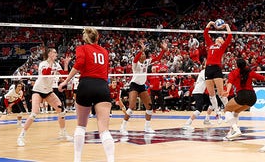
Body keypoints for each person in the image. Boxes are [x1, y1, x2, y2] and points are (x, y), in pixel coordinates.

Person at [58, 27, 114, 162]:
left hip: (86, 85)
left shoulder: (82, 48)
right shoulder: (105, 51)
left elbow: (79, 64)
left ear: (85, 38)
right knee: (104, 130)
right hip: (102, 86)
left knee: (81, 125)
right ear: (97, 37)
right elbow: (105, 71)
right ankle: (111, 160)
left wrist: (65, 81)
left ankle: (77, 159)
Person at [18, 48, 72, 146]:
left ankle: (63, 133)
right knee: (34, 113)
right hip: (38, 90)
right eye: (54, 52)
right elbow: (46, 74)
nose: (56, 54)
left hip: (48, 91)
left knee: (62, 111)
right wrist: (51, 62)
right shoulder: (43, 64)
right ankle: (21, 136)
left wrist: (65, 65)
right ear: (50, 54)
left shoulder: (57, 64)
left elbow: (64, 77)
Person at [119, 39, 167, 135]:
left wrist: (164, 50)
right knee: (132, 107)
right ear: (139, 56)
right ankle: (123, 127)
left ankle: (147, 127)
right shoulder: (135, 63)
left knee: (149, 106)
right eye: (142, 54)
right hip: (134, 85)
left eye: (144, 54)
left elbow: (157, 59)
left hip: (142, 86)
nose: (144, 55)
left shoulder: (146, 62)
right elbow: (135, 58)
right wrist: (141, 50)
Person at [222, 58, 265, 140]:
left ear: (236, 65)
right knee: (236, 111)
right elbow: (264, 78)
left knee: (227, 109)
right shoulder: (250, 72)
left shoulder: (233, 73)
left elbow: (230, 83)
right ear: (245, 64)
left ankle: (236, 130)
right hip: (253, 97)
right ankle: (231, 132)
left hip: (242, 95)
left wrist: (227, 91)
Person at [203, 20, 232, 117]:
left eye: (220, 38)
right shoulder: (210, 45)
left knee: (221, 92)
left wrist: (226, 25)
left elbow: (230, 36)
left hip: (216, 69)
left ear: (222, 41)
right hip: (208, 69)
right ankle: (217, 112)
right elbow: (205, 33)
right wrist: (210, 24)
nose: (218, 38)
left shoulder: (222, 47)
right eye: (218, 37)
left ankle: (228, 110)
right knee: (211, 94)